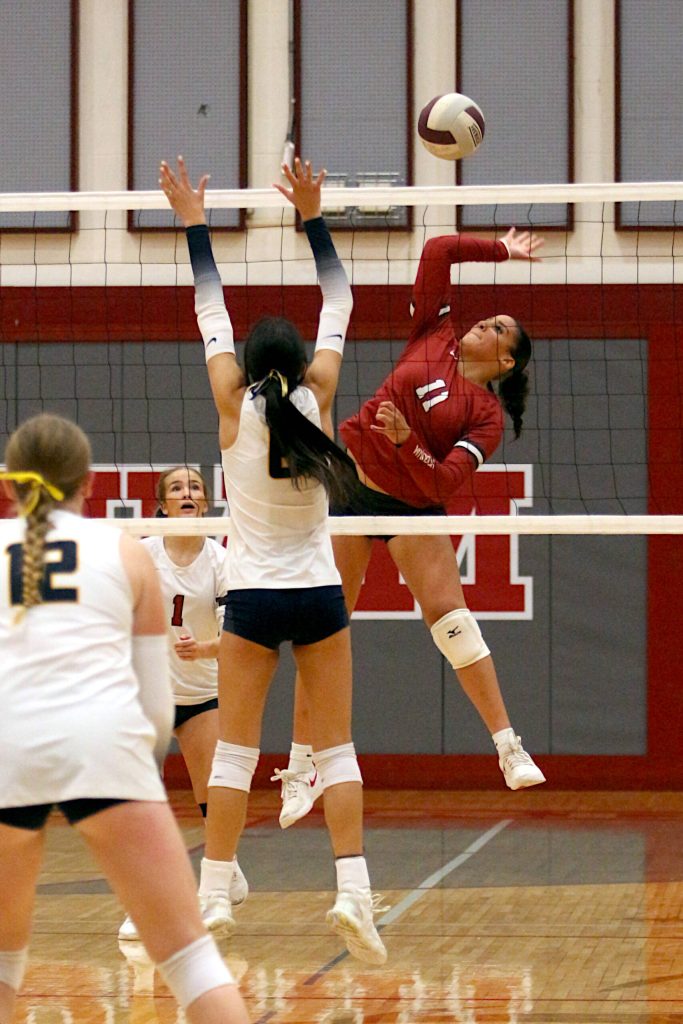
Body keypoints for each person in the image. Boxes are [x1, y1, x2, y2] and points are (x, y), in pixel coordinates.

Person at [159, 154, 387, 966]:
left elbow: (207, 305)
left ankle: (214, 892)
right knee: (336, 751)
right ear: (299, 366)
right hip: (318, 596)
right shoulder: (319, 396)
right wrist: (313, 214)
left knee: (233, 754)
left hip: (251, 598)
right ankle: (354, 893)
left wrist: (193, 220)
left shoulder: (231, 408)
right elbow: (341, 298)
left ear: (248, 368)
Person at [275, 226, 547, 829]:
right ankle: (301, 766)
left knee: (450, 619)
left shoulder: (485, 416)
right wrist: (502, 251)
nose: (485, 324)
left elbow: (441, 485)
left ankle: (508, 746)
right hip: (352, 485)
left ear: (504, 362)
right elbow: (438, 251)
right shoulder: (438, 331)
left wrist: (408, 446)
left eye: (499, 329)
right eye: (490, 317)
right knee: (321, 626)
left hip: (412, 505)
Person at [0, 414, 248, 1024]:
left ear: (12, 485)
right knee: (193, 963)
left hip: (6, 739)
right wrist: (134, 780)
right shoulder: (127, 552)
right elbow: (156, 701)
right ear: (88, 482)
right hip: (102, 740)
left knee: (3, 967)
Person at [118, 466, 247, 942]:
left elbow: (234, 632)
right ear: (163, 505)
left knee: (214, 797)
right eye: (176, 488)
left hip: (202, 692)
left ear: (206, 502)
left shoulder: (220, 559)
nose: (187, 493)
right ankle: (143, 907)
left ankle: (225, 869)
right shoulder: (142, 553)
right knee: (137, 805)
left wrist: (207, 648)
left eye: (194, 487)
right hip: (147, 694)